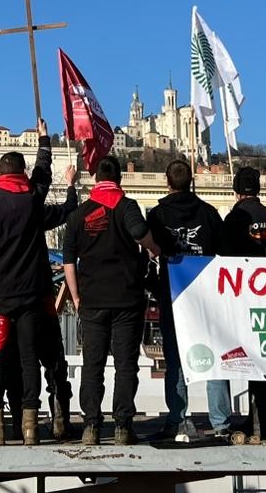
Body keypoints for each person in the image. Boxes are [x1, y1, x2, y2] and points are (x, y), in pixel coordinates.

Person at [0, 120, 77, 446]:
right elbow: (42, 174)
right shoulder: (32, 201)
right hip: (31, 297)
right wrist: (44, 140)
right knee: (29, 359)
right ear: (21, 173)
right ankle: (30, 427)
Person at [63, 156, 158, 445]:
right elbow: (140, 232)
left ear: (96, 180)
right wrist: (153, 249)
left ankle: (91, 426)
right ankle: (123, 427)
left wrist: (76, 296)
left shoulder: (79, 215)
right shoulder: (125, 206)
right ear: (119, 179)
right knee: (125, 365)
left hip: (92, 299)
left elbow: (68, 261)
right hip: (127, 298)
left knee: (93, 364)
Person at [145, 158, 231, 442]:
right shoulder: (208, 213)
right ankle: (221, 423)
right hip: (205, 296)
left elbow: (149, 252)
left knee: (175, 360)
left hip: (172, 293)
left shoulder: (156, 216)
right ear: (191, 180)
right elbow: (224, 254)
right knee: (214, 357)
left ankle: (177, 420)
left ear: (167, 183)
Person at [218, 165, 266, 442]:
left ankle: (258, 420)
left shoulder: (233, 220)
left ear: (236, 192)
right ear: (258, 191)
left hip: (246, 299)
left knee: (256, 361)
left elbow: (222, 255)